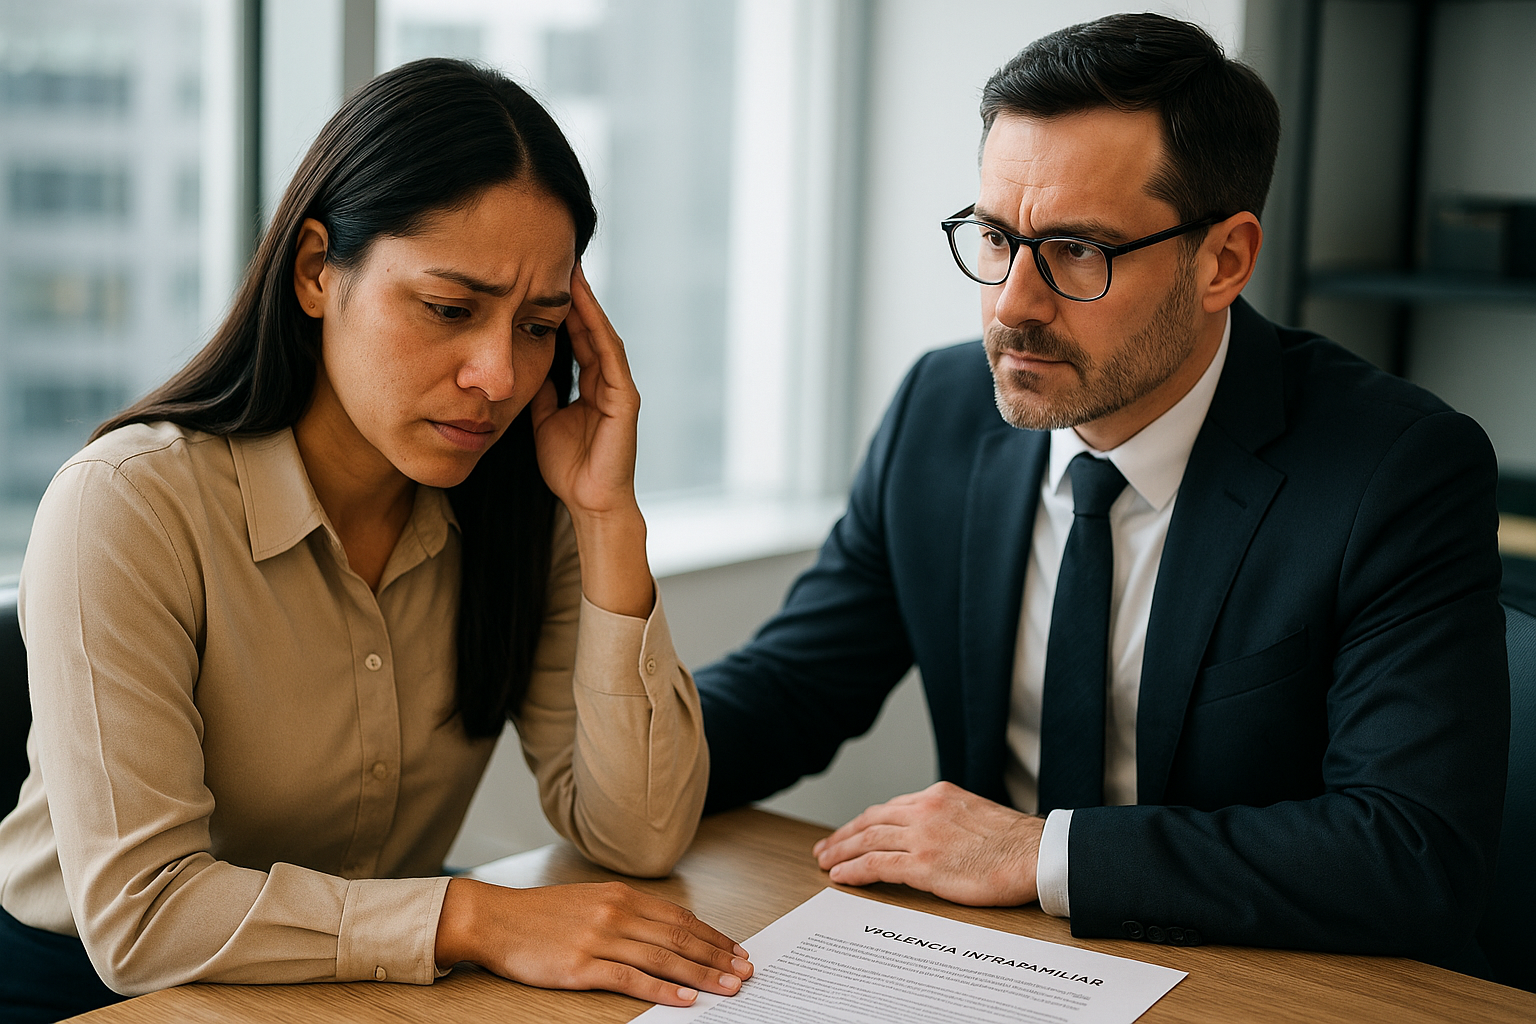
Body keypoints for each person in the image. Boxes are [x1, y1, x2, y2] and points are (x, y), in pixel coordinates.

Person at [698, 13, 1509, 969]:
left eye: (1079, 250)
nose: (1013, 304)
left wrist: (1040, 853)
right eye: (997, 237)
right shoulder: (939, 409)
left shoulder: (1396, 469)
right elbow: (794, 687)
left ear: (1223, 261)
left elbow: (1410, 854)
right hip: (974, 964)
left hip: (1242, 978)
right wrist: (604, 730)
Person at [0, 59, 752, 1023]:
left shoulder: (523, 502)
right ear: (319, 270)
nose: (498, 374)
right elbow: (145, 918)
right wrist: (476, 916)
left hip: (368, 988)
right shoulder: (126, 506)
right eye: (449, 309)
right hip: (101, 994)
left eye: (539, 326)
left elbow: (639, 835)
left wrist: (609, 519)